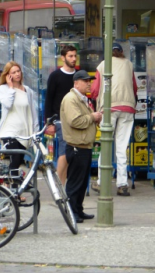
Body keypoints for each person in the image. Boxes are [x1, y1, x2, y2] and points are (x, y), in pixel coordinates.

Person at [90, 43, 138, 196]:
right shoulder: (129, 65)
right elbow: (135, 87)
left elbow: (95, 90)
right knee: (122, 146)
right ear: (122, 53)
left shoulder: (103, 65)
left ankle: (101, 182)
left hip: (110, 107)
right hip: (128, 107)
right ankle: (122, 184)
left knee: (106, 143)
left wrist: (93, 102)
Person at [60, 70, 102, 223]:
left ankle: (78, 209)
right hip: (77, 146)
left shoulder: (81, 99)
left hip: (84, 145)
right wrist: (92, 117)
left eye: (89, 81)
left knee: (83, 182)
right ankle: (72, 211)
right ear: (76, 83)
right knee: (75, 182)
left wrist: (94, 117)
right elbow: (75, 121)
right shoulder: (71, 99)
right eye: (85, 81)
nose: (89, 83)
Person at [0, 61, 39, 175]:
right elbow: (8, 104)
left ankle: (8, 185)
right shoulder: (3, 89)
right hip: (9, 132)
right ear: (8, 75)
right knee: (15, 161)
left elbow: (32, 113)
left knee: (19, 161)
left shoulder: (27, 90)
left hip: (24, 133)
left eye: (18, 71)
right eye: (13, 72)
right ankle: (13, 190)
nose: (17, 74)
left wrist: (36, 131)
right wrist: (11, 88)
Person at [44, 45, 77, 185]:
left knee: (70, 152)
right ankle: (58, 182)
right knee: (64, 150)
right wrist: (49, 123)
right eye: (70, 56)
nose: (74, 59)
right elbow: (49, 99)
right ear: (63, 58)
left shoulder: (79, 75)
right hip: (60, 119)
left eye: (75, 56)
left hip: (76, 119)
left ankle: (62, 183)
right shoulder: (55, 76)